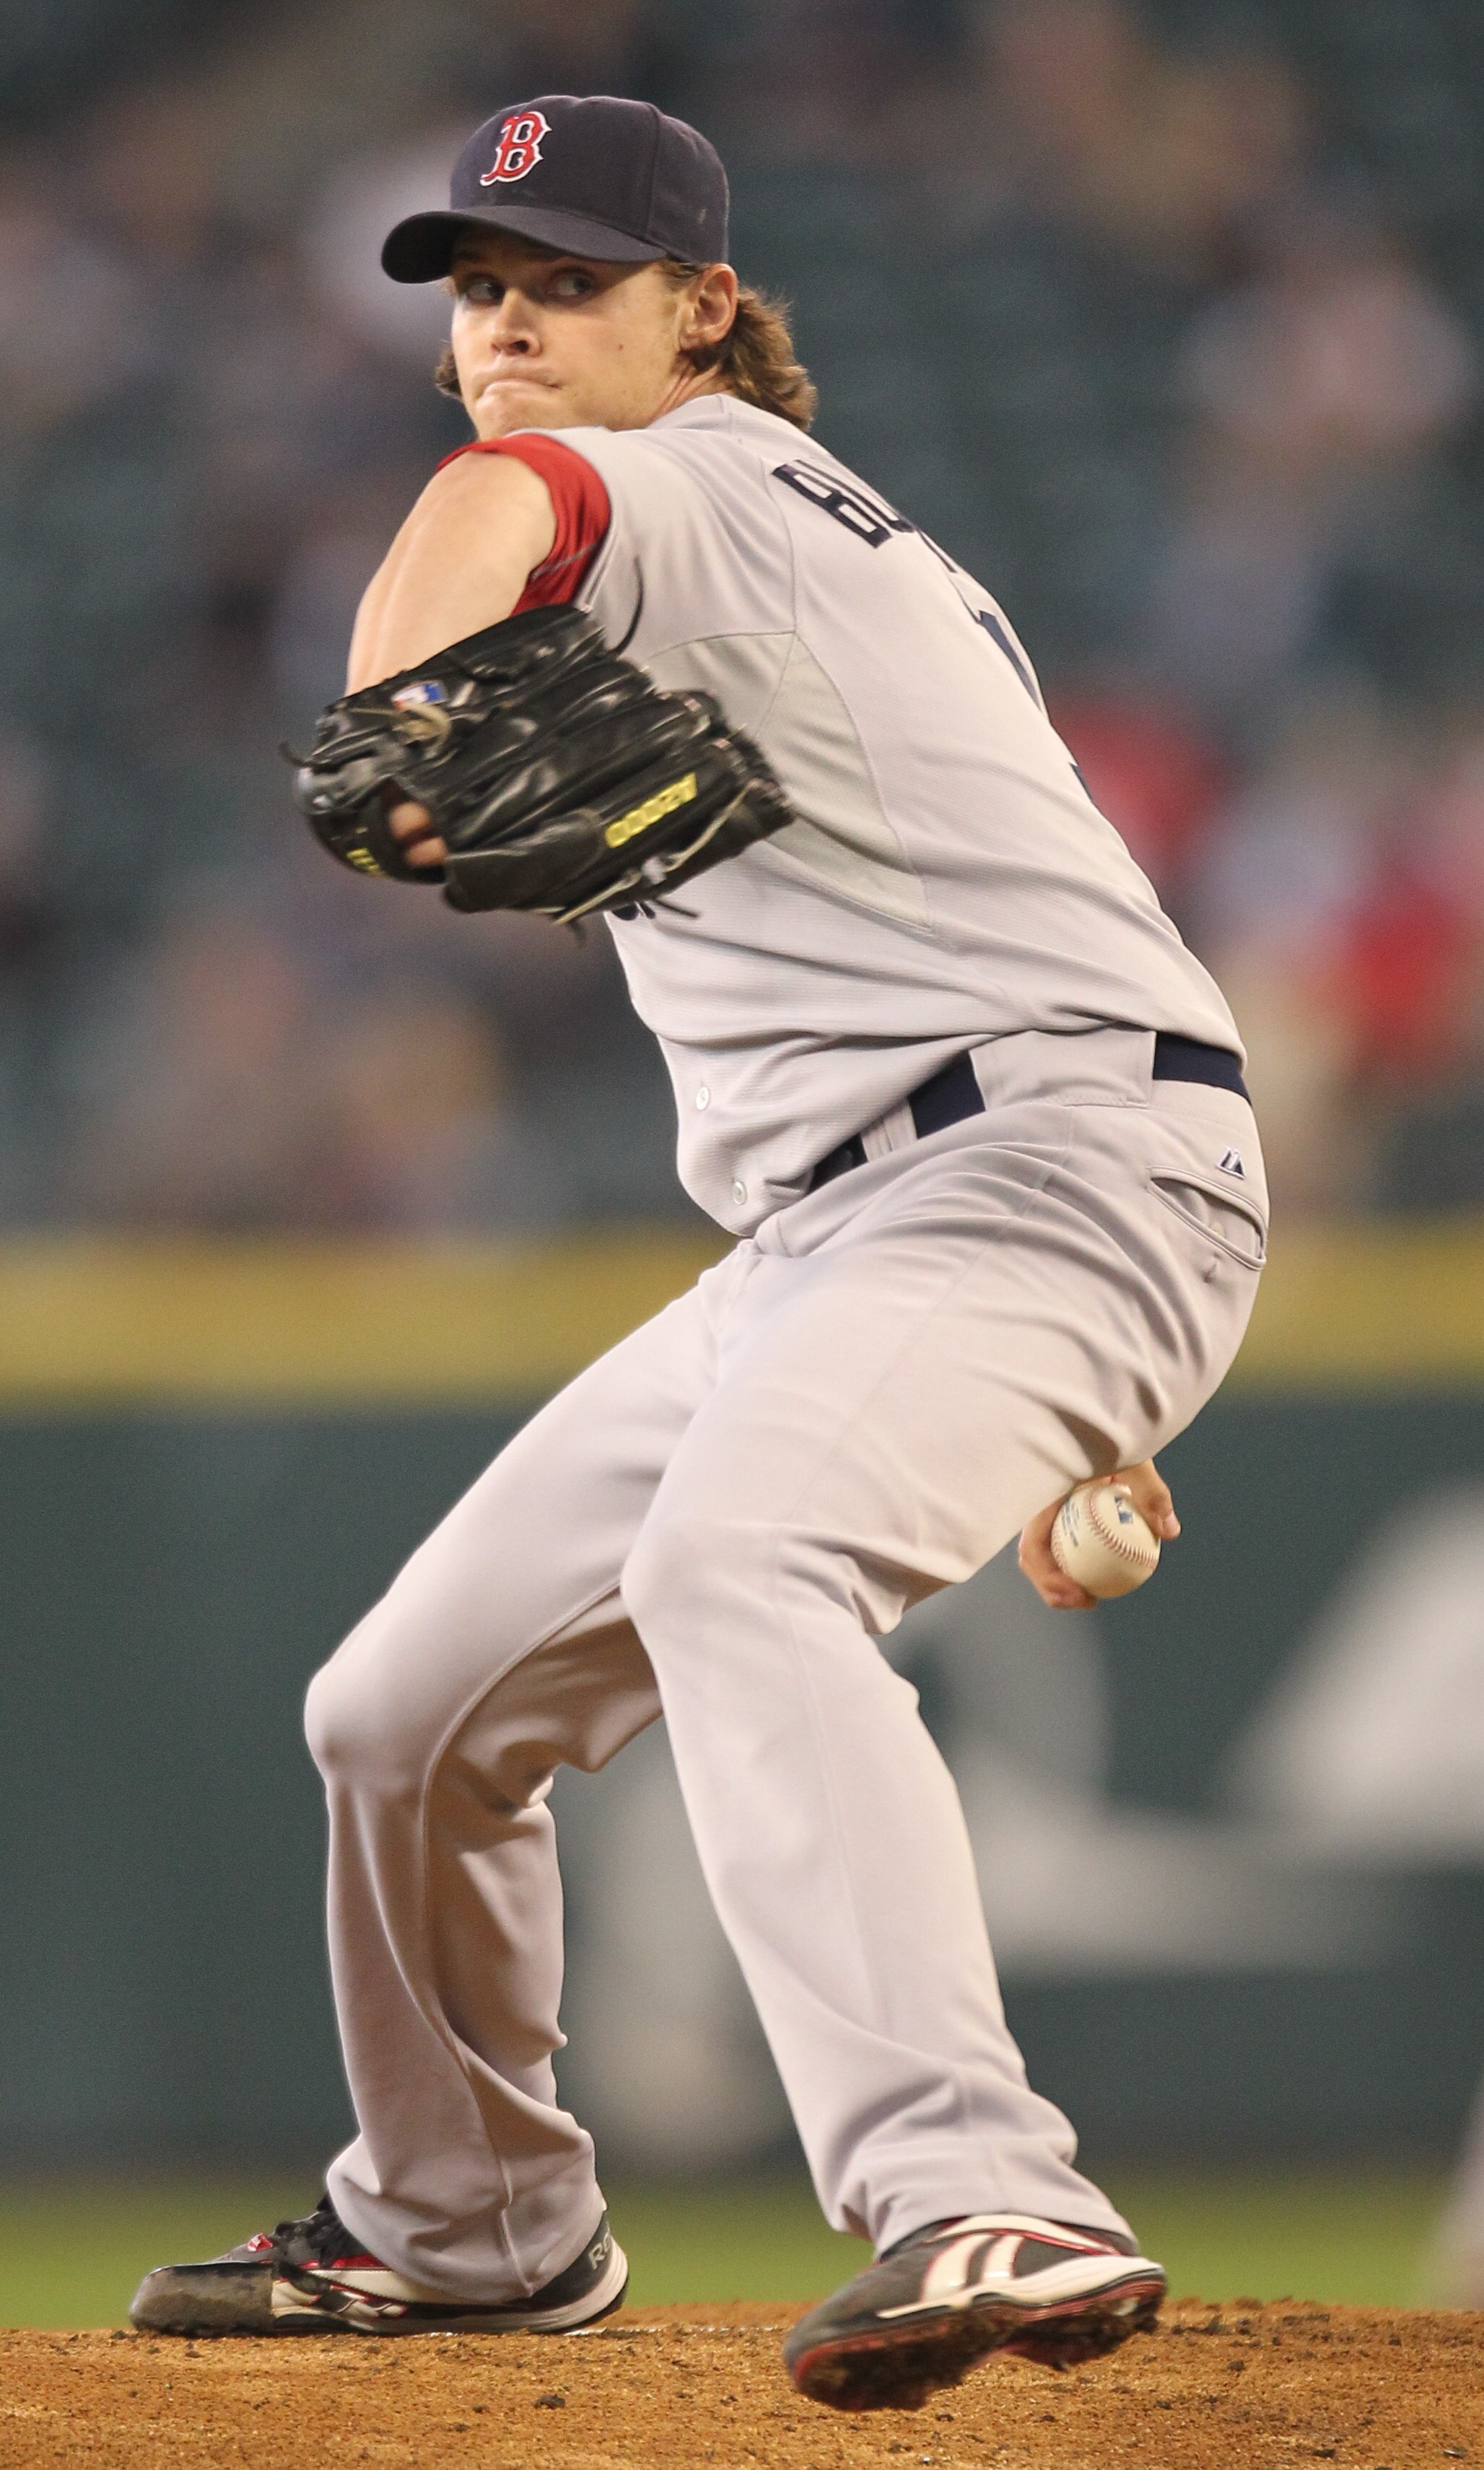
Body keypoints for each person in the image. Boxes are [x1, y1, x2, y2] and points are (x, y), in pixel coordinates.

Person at [130, 94, 1268, 2411]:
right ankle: (470, 2226)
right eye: (476, 291)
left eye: (565, 282)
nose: (510, 331)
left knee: (740, 1562)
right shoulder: (814, 545)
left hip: (1036, 1172)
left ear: (706, 313)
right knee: (401, 1717)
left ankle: (986, 2186)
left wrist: (383, 715)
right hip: (887, 1217)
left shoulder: (675, 480)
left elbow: (495, 509)